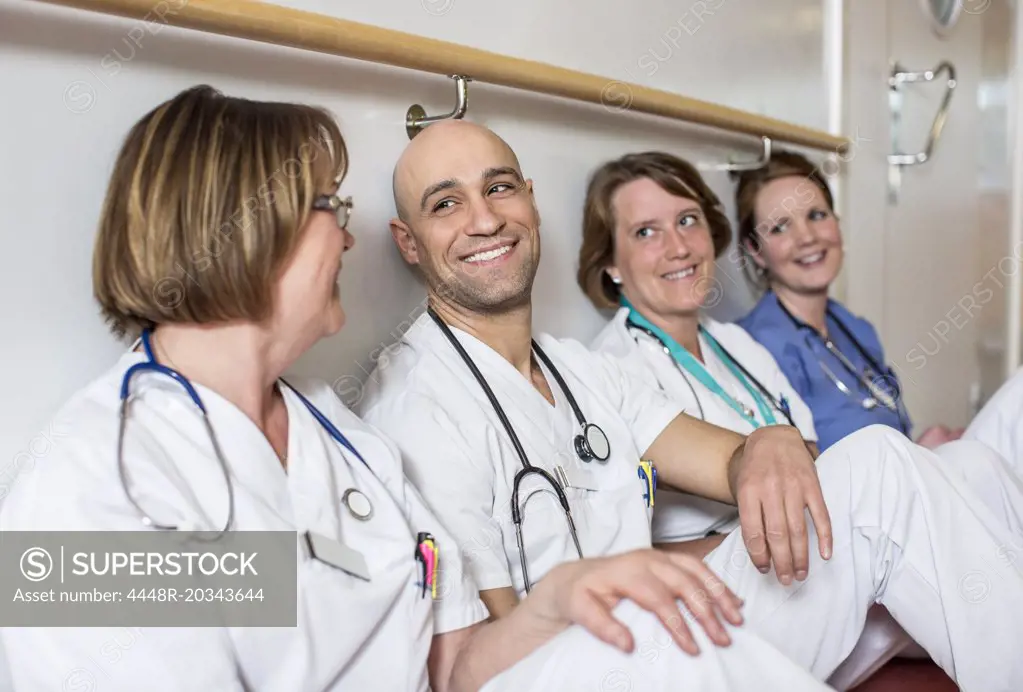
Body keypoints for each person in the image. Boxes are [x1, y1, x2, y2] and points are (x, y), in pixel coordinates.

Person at [0, 85, 842, 692]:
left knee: (671, 645)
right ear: (242, 232)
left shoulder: (345, 446)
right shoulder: (94, 480)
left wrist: (555, 601)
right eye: (326, 204)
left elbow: (448, 666)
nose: (346, 232)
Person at [358, 118, 1023, 692]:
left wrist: (764, 445)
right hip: (582, 661)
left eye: (498, 187)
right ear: (408, 242)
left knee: (885, 462)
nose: (483, 218)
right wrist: (580, 596)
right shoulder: (417, 407)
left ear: (529, 202)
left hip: (663, 624)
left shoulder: (575, 368)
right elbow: (464, 672)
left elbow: (728, 458)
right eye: (446, 204)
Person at [578, 150, 818, 554]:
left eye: (688, 220)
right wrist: (749, 550)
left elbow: (810, 449)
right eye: (646, 232)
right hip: (723, 572)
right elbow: (627, 551)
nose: (679, 248)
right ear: (610, 264)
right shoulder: (609, 370)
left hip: (800, 542)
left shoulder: (735, 342)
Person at [733, 150, 963, 452]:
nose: (807, 237)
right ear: (756, 251)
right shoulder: (755, 348)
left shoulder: (855, 330)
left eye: (816, 215)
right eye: (780, 227)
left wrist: (923, 449)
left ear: (836, 223)